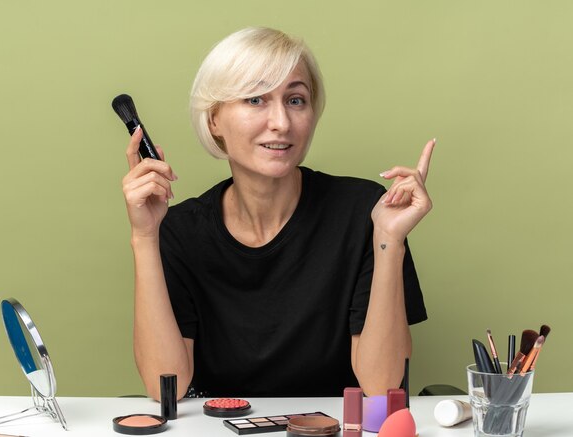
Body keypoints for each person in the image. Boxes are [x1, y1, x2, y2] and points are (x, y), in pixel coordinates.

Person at [121, 27, 434, 400]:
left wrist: (389, 240)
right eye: (255, 99)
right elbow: (164, 387)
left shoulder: (365, 212)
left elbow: (381, 388)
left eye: (296, 100)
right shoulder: (181, 231)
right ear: (214, 120)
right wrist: (144, 238)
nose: (281, 123)